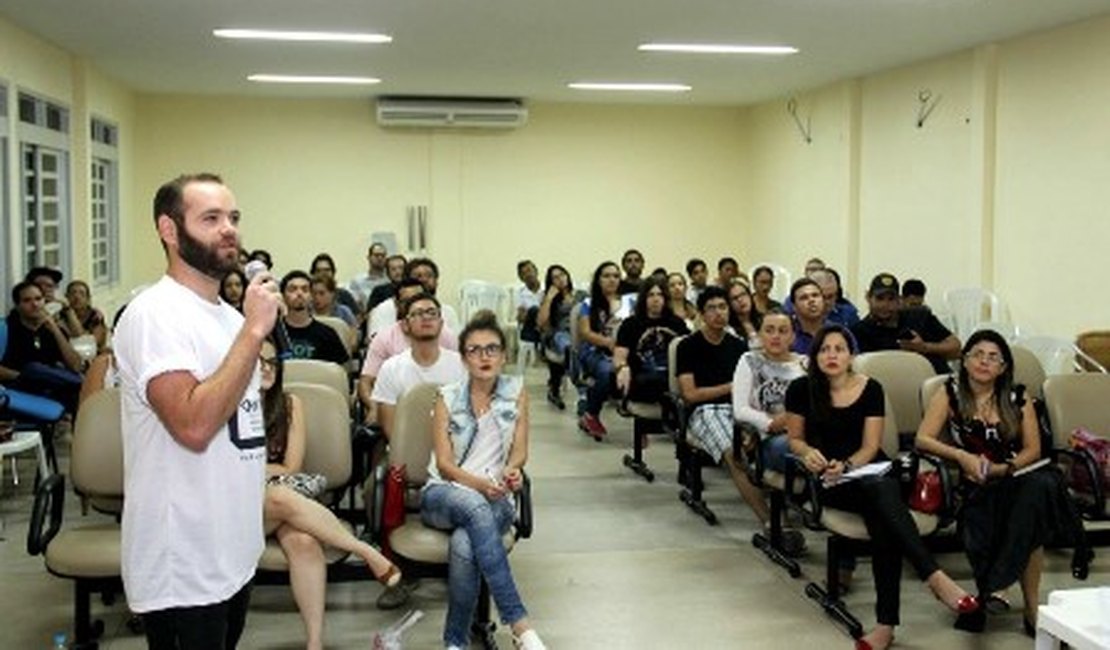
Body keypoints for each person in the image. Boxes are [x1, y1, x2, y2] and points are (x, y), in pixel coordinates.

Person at [114, 173, 282, 649]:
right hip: (182, 562)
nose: (228, 229)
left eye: (233, 217)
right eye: (210, 218)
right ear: (170, 230)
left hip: (231, 550)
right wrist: (254, 334)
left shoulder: (229, 318)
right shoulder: (155, 314)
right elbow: (193, 426)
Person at [785, 325, 978, 650]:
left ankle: (887, 627)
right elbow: (795, 440)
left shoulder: (870, 388)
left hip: (867, 468)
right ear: (814, 356)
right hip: (831, 481)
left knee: (881, 507)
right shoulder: (801, 389)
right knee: (883, 504)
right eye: (824, 349)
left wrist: (848, 465)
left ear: (852, 355)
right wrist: (809, 455)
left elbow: (871, 446)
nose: (831, 356)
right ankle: (933, 578)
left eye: (839, 349)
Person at [915, 330, 1083, 636]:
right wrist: (962, 457)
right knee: (1028, 507)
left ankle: (1003, 591)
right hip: (974, 483)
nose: (984, 361)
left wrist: (1004, 468)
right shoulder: (949, 393)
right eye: (977, 354)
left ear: (1003, 368)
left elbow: (1033, 449)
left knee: (1035, 492)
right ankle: (1026, 606)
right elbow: (923, 439)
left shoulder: (1018, 397)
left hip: (1013, 475)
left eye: (994, 357)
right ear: (964, 361)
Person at [256, 338, 401, 649]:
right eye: (257, 361)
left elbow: (290, 467)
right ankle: (365, 551)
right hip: (238, 510)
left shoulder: (289, 403)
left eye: (271, 362)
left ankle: (314, 642)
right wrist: (258, 472)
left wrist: (254, 470)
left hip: (279, 503)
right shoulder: (228, 407)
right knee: (280, 497)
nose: (266, 368)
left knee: (304, 542)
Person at [422, 312, 546, 650]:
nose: (484, 356)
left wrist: (513, 471)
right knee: (474, 505)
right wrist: (481, 486)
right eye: (474, 350)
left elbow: (519, 453)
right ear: (463, 358)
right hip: (444, 494)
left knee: (464, 546)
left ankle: (454, 643)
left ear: (504, 355)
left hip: (496, 497)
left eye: (492, 349)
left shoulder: (517, 392)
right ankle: (520, 625)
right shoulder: (447, 396)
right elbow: (445, 465)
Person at [674, 287, 776, 528]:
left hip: (738, 409)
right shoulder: (687, 346)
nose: (719, 313)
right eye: (712, 308)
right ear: (701, 313)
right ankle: (770, 522)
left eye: (723, 307)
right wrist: (731, 387)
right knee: (735, 455)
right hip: (704, 412)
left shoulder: (738, 346)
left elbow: (751, 392)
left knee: (771, 443)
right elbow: (690, 395)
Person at [356, 279, 458, 425]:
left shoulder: (451, 346)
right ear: (397, 305)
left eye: (430, 312)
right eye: (408, 302)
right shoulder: (386, 347)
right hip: (397, 413)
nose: (424, 317)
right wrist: (374, 407)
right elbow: (366, 382)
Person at [371, 293, 466, 440]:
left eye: (432, 313)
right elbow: (390, 428)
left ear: (441, 323)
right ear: (405, 325)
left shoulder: (462, 365)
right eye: (418, 313)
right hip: (406, 451)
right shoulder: (390, 368)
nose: (426, 317)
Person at [1, 280, 84, 414]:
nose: (35, 304)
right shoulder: (7, 328)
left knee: (71, 389)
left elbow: (75, 366)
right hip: (18, 386)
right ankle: (84, 385)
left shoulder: (52, 329)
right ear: (17, 305)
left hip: (51, 386)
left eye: (38, 299)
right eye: (27, 300)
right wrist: (24, 376)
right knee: (33, 368)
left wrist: (55, 330)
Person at [851, 273, 960, 374]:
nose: (885, 304)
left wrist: (924, 347)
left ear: (899, 300)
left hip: (935, 382)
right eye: (880, 299)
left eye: (891, 299)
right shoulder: (859, 332)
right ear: (868, 298)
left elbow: (956, 348)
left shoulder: (920, 316)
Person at [576, 261, 635, 438]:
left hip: (623, 350)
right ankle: (591, 413)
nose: (612, 280)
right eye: (606, 276)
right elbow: (585, 333)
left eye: (616, 276)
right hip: (595, 350)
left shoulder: (628, 303)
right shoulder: (589, 303)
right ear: (598, 280)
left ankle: (637, 417)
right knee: (606, 371)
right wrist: (609, 343)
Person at [613, 277, 689, 413]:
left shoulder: (677, 323)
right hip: (643, 377)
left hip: (672, 376)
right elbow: (619, 355)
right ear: (644, 299)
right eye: (651, 295)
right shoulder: (630, 324)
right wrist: (622, 367)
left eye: (659, 295)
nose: (656, 299)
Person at [280, 270, 349, 365]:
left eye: (305, 289)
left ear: (311, 296)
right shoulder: (273, 333)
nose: (299, 293)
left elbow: (340, 375)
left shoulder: (328, 334)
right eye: (292, 289)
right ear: (283, 296)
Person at [536, 264, 575, 410]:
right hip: (559, 333)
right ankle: (572, 381)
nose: (560, 279)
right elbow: (541, 323)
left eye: (562, 275)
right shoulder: (550, 299)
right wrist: (549, 298)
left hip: (580, 333)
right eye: (555, 277)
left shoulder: (581, 295)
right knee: (565, 345)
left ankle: (556, 385)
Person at [59, 279, 108, 352]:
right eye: (73, 293)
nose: (77, 297)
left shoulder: (95, 316)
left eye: (82, 294)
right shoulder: (60, 315)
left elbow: (91, 342)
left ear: (88, 299)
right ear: (67, 296)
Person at [309, 252, 361, 318]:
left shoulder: (344, 295)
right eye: (318, 271)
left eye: (327, 270)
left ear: (333, 272)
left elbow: (358, 318)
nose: (323, 274)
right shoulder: (307, 298)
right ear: (313, 274)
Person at [789, 278, 827, 354]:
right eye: (804, 298)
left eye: (815, 295)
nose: (811, 300)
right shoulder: (787, 334)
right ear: (794, 306)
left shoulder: (838, 331)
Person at [348, 243, 391, 311]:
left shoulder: (390, 280)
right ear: (369, 257)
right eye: (376, 255)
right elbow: (355, 305)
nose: (380, 258)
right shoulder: (358, 281)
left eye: (383, 256)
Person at [515, 260, 544, 343]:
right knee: (533, 311)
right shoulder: (520, 293)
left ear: (536, 272)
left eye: (529, 270)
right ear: (521, 278)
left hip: (546, 323)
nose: (528, 275)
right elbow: (521, 317)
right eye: (524, 273)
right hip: (530, 325)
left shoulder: (546, 289)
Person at [726, 280, 761, 347]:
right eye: (735, 298)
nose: (740, 300)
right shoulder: (729, 330)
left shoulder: (762, 320)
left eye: (743, 294)